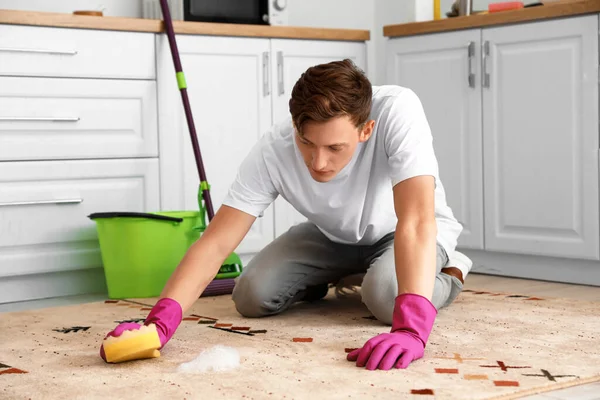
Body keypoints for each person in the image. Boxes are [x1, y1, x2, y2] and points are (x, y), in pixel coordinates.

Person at [100, 59, 473, 371]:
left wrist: (411, 330)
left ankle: (450, 270)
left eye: (334, 148)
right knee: (252, 295)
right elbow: (215, 243)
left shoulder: (398, 111)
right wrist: (159, 323)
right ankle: (341, 274)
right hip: (332, 236)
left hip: (403, 230)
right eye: (306, 143)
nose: (318, 162)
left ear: (366, 130)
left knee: (385, 297)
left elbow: (417, 220)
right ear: (295, 125)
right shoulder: (272, 151)